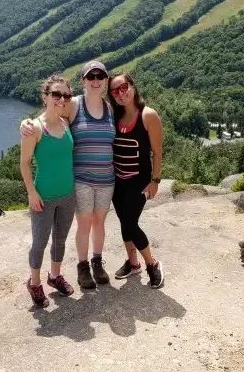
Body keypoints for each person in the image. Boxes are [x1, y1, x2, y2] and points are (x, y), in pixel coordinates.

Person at [21, 61, 115, 290]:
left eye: (99, 76)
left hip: (88, 185)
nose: (61, 99)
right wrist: (25, 123)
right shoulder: (69, 108)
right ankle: (46, 279)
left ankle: (74, 270)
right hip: (64, 186)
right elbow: (45, 119)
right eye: (90, 76)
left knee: (79, 232)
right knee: (50, 237)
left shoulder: (103, 110)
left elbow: (53, 114)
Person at [21, 73, 76, 308]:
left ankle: (54, 277)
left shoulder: (66, 122)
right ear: (45, 97)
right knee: (40, 242)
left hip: (68, 194)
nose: (61, 99)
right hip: (44, 196)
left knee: (60, 240)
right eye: (56, 94)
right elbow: (24, 163)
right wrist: (32, 192)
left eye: (66, 95)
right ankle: (34, 282)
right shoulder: (35, 128)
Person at [107, 71, 165, 288]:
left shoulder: (148, 115)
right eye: (115, 91)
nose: (121, 93)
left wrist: (155, 181)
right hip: (117, 181)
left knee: (130, 224)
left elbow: (157, 152)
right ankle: (133, 264)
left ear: (132, 86)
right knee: (124, 223)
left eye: (124, 87)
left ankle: (152, 263)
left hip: (138, 181)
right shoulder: (114, 116)